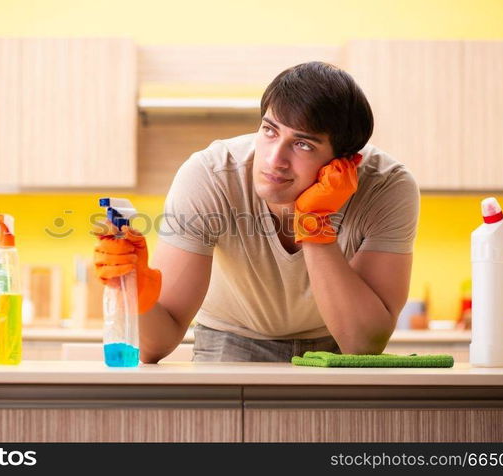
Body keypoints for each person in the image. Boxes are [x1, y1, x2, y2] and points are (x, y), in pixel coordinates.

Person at [93, 61, 420, 363]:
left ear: (345, 161)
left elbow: (362, 346)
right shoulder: (210, 175)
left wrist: (315, 223)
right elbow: (155, 347)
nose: (274, 159)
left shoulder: (386, 187)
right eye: (270, 130)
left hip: (334, 344)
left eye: (303, 144)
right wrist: (133, 290)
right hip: (228, 341)